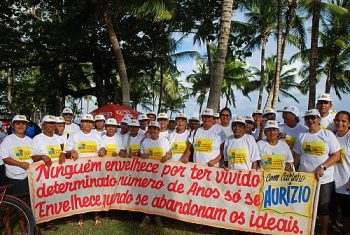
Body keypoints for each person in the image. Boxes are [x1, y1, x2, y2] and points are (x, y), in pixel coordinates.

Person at [293, 109, 341, 235]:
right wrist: (292, 171)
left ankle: (324, 232)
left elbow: (336, 155)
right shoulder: (301, 136)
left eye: (313, 117)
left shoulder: (328, 135)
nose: (310, 120)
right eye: (307, 118)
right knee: (304, 207)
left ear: (319, 119)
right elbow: (297, 156)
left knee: (323, 208)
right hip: (305, 179)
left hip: (324, 179)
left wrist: (323, 167)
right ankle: (304, 230)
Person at [60, 114, 106, 227]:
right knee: (80, 194)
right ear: (81, 123)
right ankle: (80, 218)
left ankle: (97, 217)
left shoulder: (97, 136)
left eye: (90, 122)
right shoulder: (74, 136)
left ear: (93, 124)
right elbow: (66, 151)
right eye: (85, 122)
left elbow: (103, 147)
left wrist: (102, 150)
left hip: (94, 170)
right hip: (79, 171)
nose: (88, 124)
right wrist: (71, 152)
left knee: (95, 193)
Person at [31, 115, 65, 231]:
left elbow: (63, 151)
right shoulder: (37, 138)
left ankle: (53, 218)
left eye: (53, 123)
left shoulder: (58, 138)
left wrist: (63, 153)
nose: (51, 126)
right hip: (43, 175)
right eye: (48, 123)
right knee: (44, 198)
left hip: (57, 173)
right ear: (43, 125)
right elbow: (32, 157)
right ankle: (45, 222)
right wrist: (41, 156)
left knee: (54, 197)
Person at [0, 115, 33, 234]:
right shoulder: (8, 139)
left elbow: (34, 157)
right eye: (18, 123)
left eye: (23, 123)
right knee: (8, 207)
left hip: (27, 177)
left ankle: (22, 225)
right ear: (13, 126)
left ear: (26, 126)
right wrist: (20, 164)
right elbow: (5, 158)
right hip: (12, 177)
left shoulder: (30, 140)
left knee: (24, 203)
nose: (21, 126)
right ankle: (8, 227)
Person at [139, 121, 171, 227]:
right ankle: (146, 217)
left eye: (155, 129)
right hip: (147, 173)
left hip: (160, 173)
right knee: (146, 194)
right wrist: (141, 155)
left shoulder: (164, 140)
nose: (153, 130)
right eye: (151, 128)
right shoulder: (145, 141)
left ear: (158, 130)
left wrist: (166, 157)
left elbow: (169, 153)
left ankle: (157, 217)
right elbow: (140, 153)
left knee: (158, 194)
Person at [333, 111, 350, 235]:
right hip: (332, 180)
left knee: (347, 212)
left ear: (349, 123)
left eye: (343, 121)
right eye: (338, 120)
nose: (340, 123)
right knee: (332, 209)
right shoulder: (331, 136)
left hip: (346, 181)